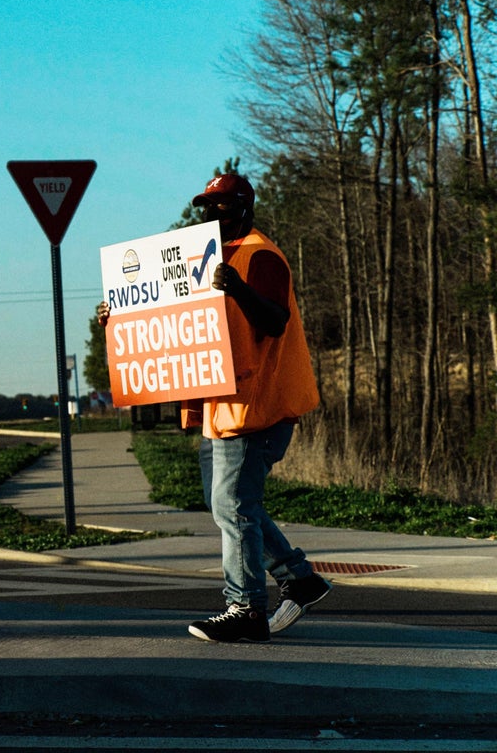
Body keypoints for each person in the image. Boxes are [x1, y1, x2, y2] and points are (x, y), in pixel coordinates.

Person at [98, 172, 329, 643]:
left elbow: (275, 320)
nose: (210, 213)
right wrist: (118, 317)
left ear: (244, 206)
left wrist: (238, 288)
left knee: (233, 505)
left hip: (255, 406)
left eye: (221, 205)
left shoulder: (258, 255)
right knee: (228, 504)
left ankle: (245, 607)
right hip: (223, 407)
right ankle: (298, 578)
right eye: (206, 205)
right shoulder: (202, 260)